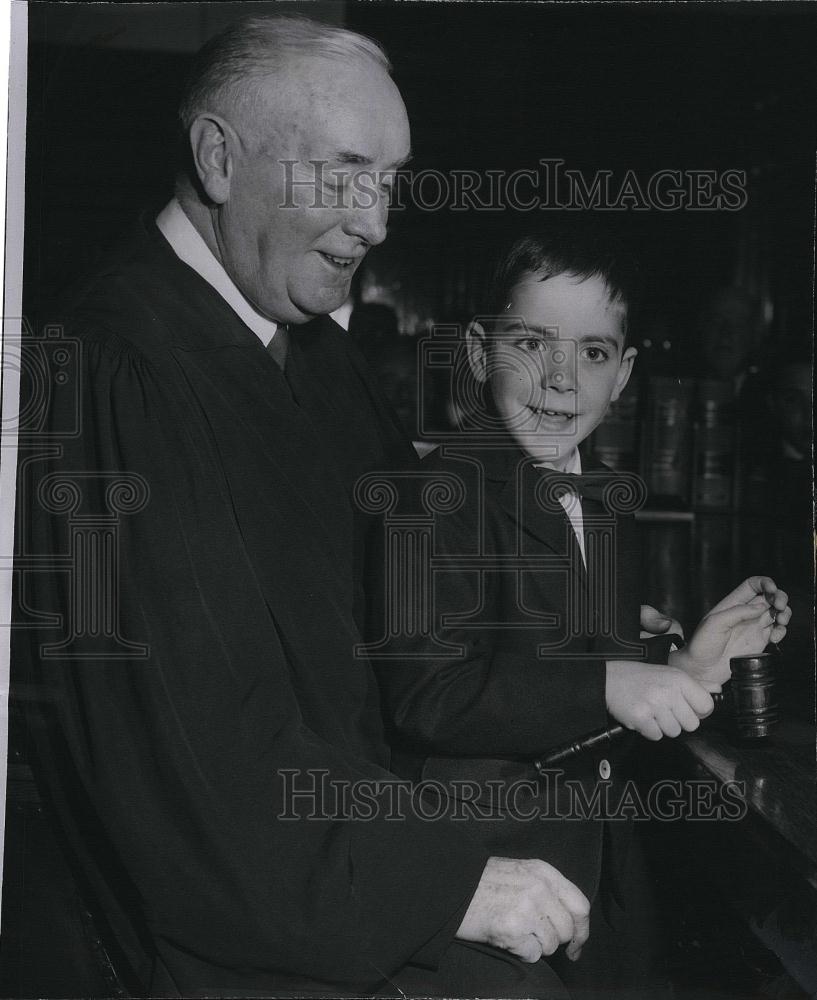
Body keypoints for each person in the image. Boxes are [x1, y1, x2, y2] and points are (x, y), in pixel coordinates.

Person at [15, 16, 611, 999]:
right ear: (218, 157)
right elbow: (191, 761)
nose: (376, 222)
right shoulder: (117, 373)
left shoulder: (317, 356)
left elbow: (404, 607)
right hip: (238, 928)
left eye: (388, 180)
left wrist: (577, 639)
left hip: (344, 853)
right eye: (342, 174)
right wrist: (448, 884)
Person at [371, 227, 791, 997]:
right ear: (476, 350)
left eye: (593, 353)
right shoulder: (431, 497)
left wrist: (682, 663)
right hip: (478, 877)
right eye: (533, 343)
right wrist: (607, 683)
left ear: (624, 373)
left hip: (593, 871)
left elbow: (580, 655)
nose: (562, 381)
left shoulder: (605, 499)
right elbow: (430, 694)